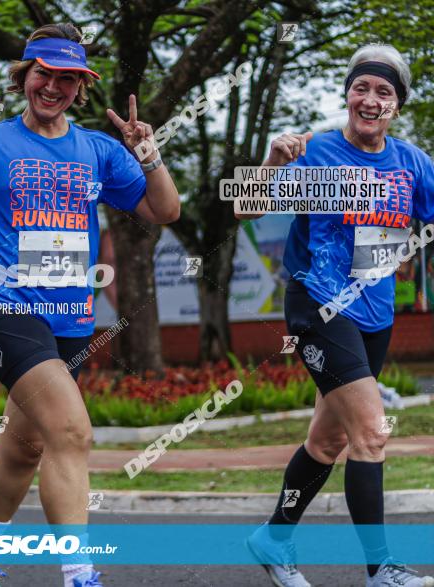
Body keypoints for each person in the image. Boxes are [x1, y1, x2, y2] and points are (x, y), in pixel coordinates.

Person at [0, 23, 179, 587]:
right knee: (73, 433)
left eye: (67, 78)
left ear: (81, 87)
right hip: (3, 306)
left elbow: (164, 210)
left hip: (71, 319)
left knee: (27, 444)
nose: (52, 86)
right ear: (23, 77)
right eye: (42, 74)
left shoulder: (98, 150)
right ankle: (80, 573)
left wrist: (149, 155)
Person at [239, 44, 434, 587]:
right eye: (361, 88)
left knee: (328, 442)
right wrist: (275, 162)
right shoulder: (315, 151)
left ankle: (272, 538)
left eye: (384, 92)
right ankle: (381, 570)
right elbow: (246, 207)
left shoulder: (413, 164)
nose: (370, 100)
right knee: (371, 433)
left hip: (374, 315)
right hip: (318, 305)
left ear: (397, 105)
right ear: (348, 94)